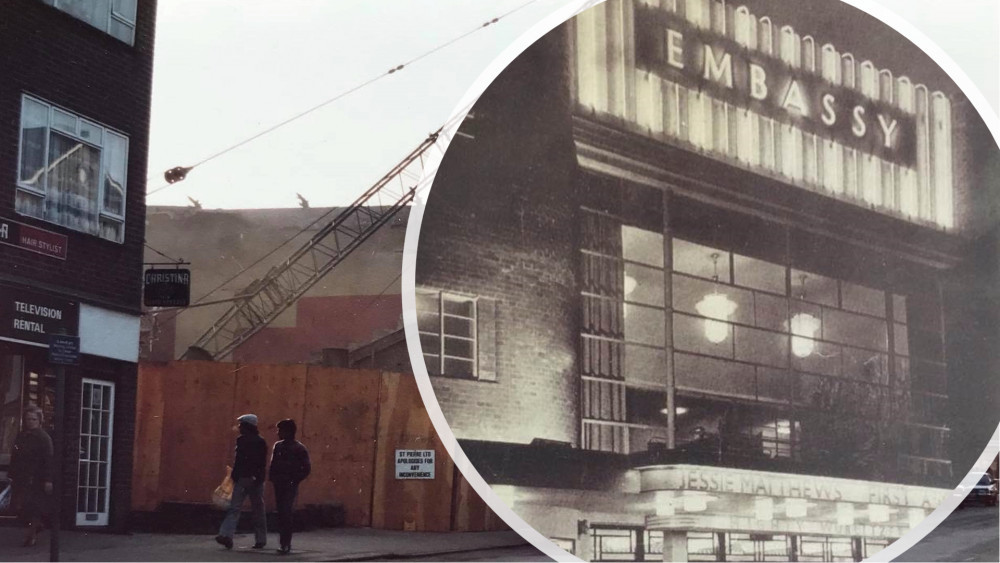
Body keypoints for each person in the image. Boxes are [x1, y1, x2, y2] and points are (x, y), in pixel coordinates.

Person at [215, 414, 268, 550]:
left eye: (241, 425)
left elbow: (240, 461)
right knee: (257, 510)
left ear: (247, 426)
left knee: (235, 508)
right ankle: (260, 539)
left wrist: (235, 475)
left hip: (243, 478)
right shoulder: (260, 441)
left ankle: (226, 535)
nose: (239, 427)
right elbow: (261, 463)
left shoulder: (242, 441)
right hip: (254, 479)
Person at [9, 404, 53, 547]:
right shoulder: (21, 436)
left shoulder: (44, 438)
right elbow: (15, 455)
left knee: (33, 506)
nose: (30, 422)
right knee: (20, 506)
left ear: (39, 420)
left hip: (36, 478)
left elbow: (48, 460)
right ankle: (36, 526)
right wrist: (12, 473)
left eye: (33, 419)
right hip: (21, 476)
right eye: (28, 419)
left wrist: (48, 479)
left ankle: (31, 535)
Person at [269, 419, 311, 555]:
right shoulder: (278, 446)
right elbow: (273, 464)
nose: (278, 433)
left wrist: (295, 480)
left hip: (289, 483)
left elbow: (306, 468)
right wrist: (274, 478)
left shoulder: (298, 448)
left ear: (288, 431)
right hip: (280, 483)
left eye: (280, 430)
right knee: (282, 513)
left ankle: (285, 543)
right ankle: (284, 543)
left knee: (285, 512)